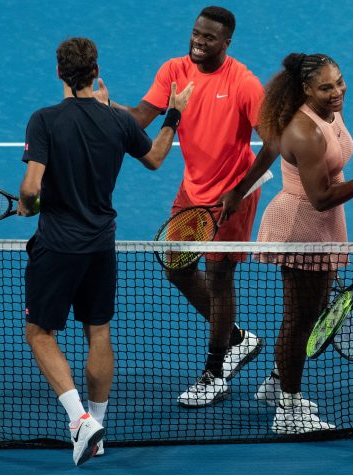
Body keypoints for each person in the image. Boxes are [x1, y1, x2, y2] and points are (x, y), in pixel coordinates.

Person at [17, 37, 192, 466]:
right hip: (101, 245)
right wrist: (175, 112)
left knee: (39, 333)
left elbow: (31, 188)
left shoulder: (44, 120)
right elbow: (154, 158)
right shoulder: (117, 120)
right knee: (98, 332)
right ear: (97, 72)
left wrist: (28, 205)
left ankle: (79, 421)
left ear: (59, 73)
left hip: (57, 246)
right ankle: (99, 425)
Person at [99, 6, 278, 407]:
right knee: (176, 267)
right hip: (193, 190)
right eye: (196, 33)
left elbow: (274, 143)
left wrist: (240, 190)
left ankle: (214, 372)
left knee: (218, 277)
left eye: (208, 37)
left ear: (226, 42)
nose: (198, 41)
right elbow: (142, 119)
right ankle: (236, 339)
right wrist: (106, 105)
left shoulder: (244, 84)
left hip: (234, 195)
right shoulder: (174, 70)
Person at [220, 53, 353, 434]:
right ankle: (288, 411)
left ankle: (276, 384)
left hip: (322, 224)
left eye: (339, 81)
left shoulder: (325, 109)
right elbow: (321, 196)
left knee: (311, 309)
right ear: (307, 89)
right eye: (326, 87)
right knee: (299, 320)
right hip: (302, 225)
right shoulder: (304, 130)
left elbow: (270, 146)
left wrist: (239, 191)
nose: (337, 91)